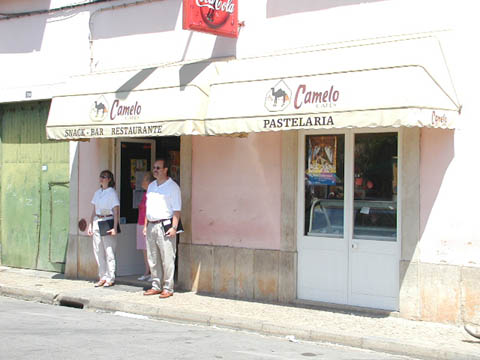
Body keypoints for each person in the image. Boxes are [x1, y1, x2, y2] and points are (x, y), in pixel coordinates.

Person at [143, 157, 181, 298]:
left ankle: (168, 287)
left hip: (165, 225)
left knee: (167, 258)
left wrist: (174, 227)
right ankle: (156, 285)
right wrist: (146, 225)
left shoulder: (173, 187)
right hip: (152, 225)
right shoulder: (152, 186)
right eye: (154, 167)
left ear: (165, 170)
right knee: (153, 258)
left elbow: (177, 209)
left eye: (158, 168)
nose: (155, 170)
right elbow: (148, 207)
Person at [87, 170, 120, 288]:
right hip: (98, 220)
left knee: (109, 251)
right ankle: (102, 276)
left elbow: (116, 211)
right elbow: (94, 210)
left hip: (107, 220)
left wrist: (115, 227)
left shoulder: (112, 193)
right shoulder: (97, 193)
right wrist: (90, 224)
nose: (102, 178)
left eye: (104, 177)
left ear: (109, 179)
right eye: (101, 176)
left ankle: (111, 277)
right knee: (98, 251)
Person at [136, 172, 153, 281]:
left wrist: (146, 226)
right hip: (140, 223)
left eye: (145, 179)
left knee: (150, 250)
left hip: (147, 224)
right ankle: (147, 271)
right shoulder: (145, 194)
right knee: (144, 249)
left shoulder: (151, 194)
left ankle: (153, 273)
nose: (142, 181)